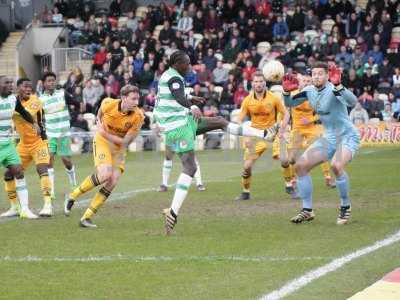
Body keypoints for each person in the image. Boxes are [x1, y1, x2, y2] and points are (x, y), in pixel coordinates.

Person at [153, 50, 279, 235]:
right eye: (186, 64)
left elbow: (175, 96)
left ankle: (265, 134)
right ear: (177, 63)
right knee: (189, 168)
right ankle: (172, 212)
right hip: (177, 127)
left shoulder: (170, 75)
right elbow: (178, 96)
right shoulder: (174, 78)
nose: (189, 66)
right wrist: (193, 105)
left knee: (220, 121)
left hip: (182, 122)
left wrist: (190, 99)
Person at [282, 62, 359, 225]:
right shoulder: (309, 91)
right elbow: (290, 104)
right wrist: (286, 92)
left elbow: (353, 102)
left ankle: (345, 205)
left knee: (336, 166)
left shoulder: (333, 88)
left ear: (327, 75)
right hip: (329, 136)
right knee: (300, 166)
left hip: (347, 135)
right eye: (314, 74)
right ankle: (307, 210)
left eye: (320, 73)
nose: (316, 76)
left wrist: (339, 85)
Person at [64, 85, 144, 228]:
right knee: (105, 174)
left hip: (119, 148)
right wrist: (99, 124)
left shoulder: (138, 116)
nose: (137, 102)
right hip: (103, 142)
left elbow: (126, 142)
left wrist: (104, 131)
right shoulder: (108, 103)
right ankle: (73, 195)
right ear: (124, 98)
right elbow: (100, 113)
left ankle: (86, 217)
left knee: (113, 181)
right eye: (133, 99)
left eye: (138, 99)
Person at [234, 71, 288, 201]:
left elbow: (286, 114)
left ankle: (290, 184)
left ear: (265, 83)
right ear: (252, 84)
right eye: (256, 82)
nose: (258, 84)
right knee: (247, 167)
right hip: (255, 136)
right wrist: (245, 136)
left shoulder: (274, 98)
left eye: (261, 82)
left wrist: (281, 130)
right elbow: (239, 120)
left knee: (284, 159)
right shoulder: (247, 100)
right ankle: (245, 192)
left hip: (272, 133)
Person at [280, 72, 336, 199]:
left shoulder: (314, 96)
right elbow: (287, 112)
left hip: (311, 129)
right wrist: (283, 128)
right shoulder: (293, 95)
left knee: (321, 152)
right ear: (299, 83)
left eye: (308, 81)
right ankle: (293, 179)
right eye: (304, 81)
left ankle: (328, 178)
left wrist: (311, 120)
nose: (306, 83)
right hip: (297, 130)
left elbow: (322, 112)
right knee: (291, 159)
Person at [2, 78, 52, 217]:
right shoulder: (12, 101)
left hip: (39, 141)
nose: (29, 89)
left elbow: (26, 114)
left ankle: (47, 205)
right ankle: (14, 207)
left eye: (30, 87)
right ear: (18, 88)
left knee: (42, 169)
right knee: (8, 174)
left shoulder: (36, 100)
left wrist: (8, 108)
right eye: (25, 86)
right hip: (23, 144)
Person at [0, 76, 37, 219]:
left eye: (11, 83)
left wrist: (34, 123)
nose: (10, 85)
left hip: (8, 145)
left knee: (19, 172)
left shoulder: (12, 99)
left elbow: (23, 112)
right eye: (6, 83)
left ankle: (24, 209)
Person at [39, 72, 77, 201]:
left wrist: (73, 118)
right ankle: (52, 190)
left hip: (64, 134)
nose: (51, 83)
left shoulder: (62, 93)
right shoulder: (40, 99)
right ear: (44, 83)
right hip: (50, 134)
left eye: (53, 80)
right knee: (49, 160)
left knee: (66, 160)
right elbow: (38, 116)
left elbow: (77, 104)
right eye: (49, 81)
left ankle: (73, 183)